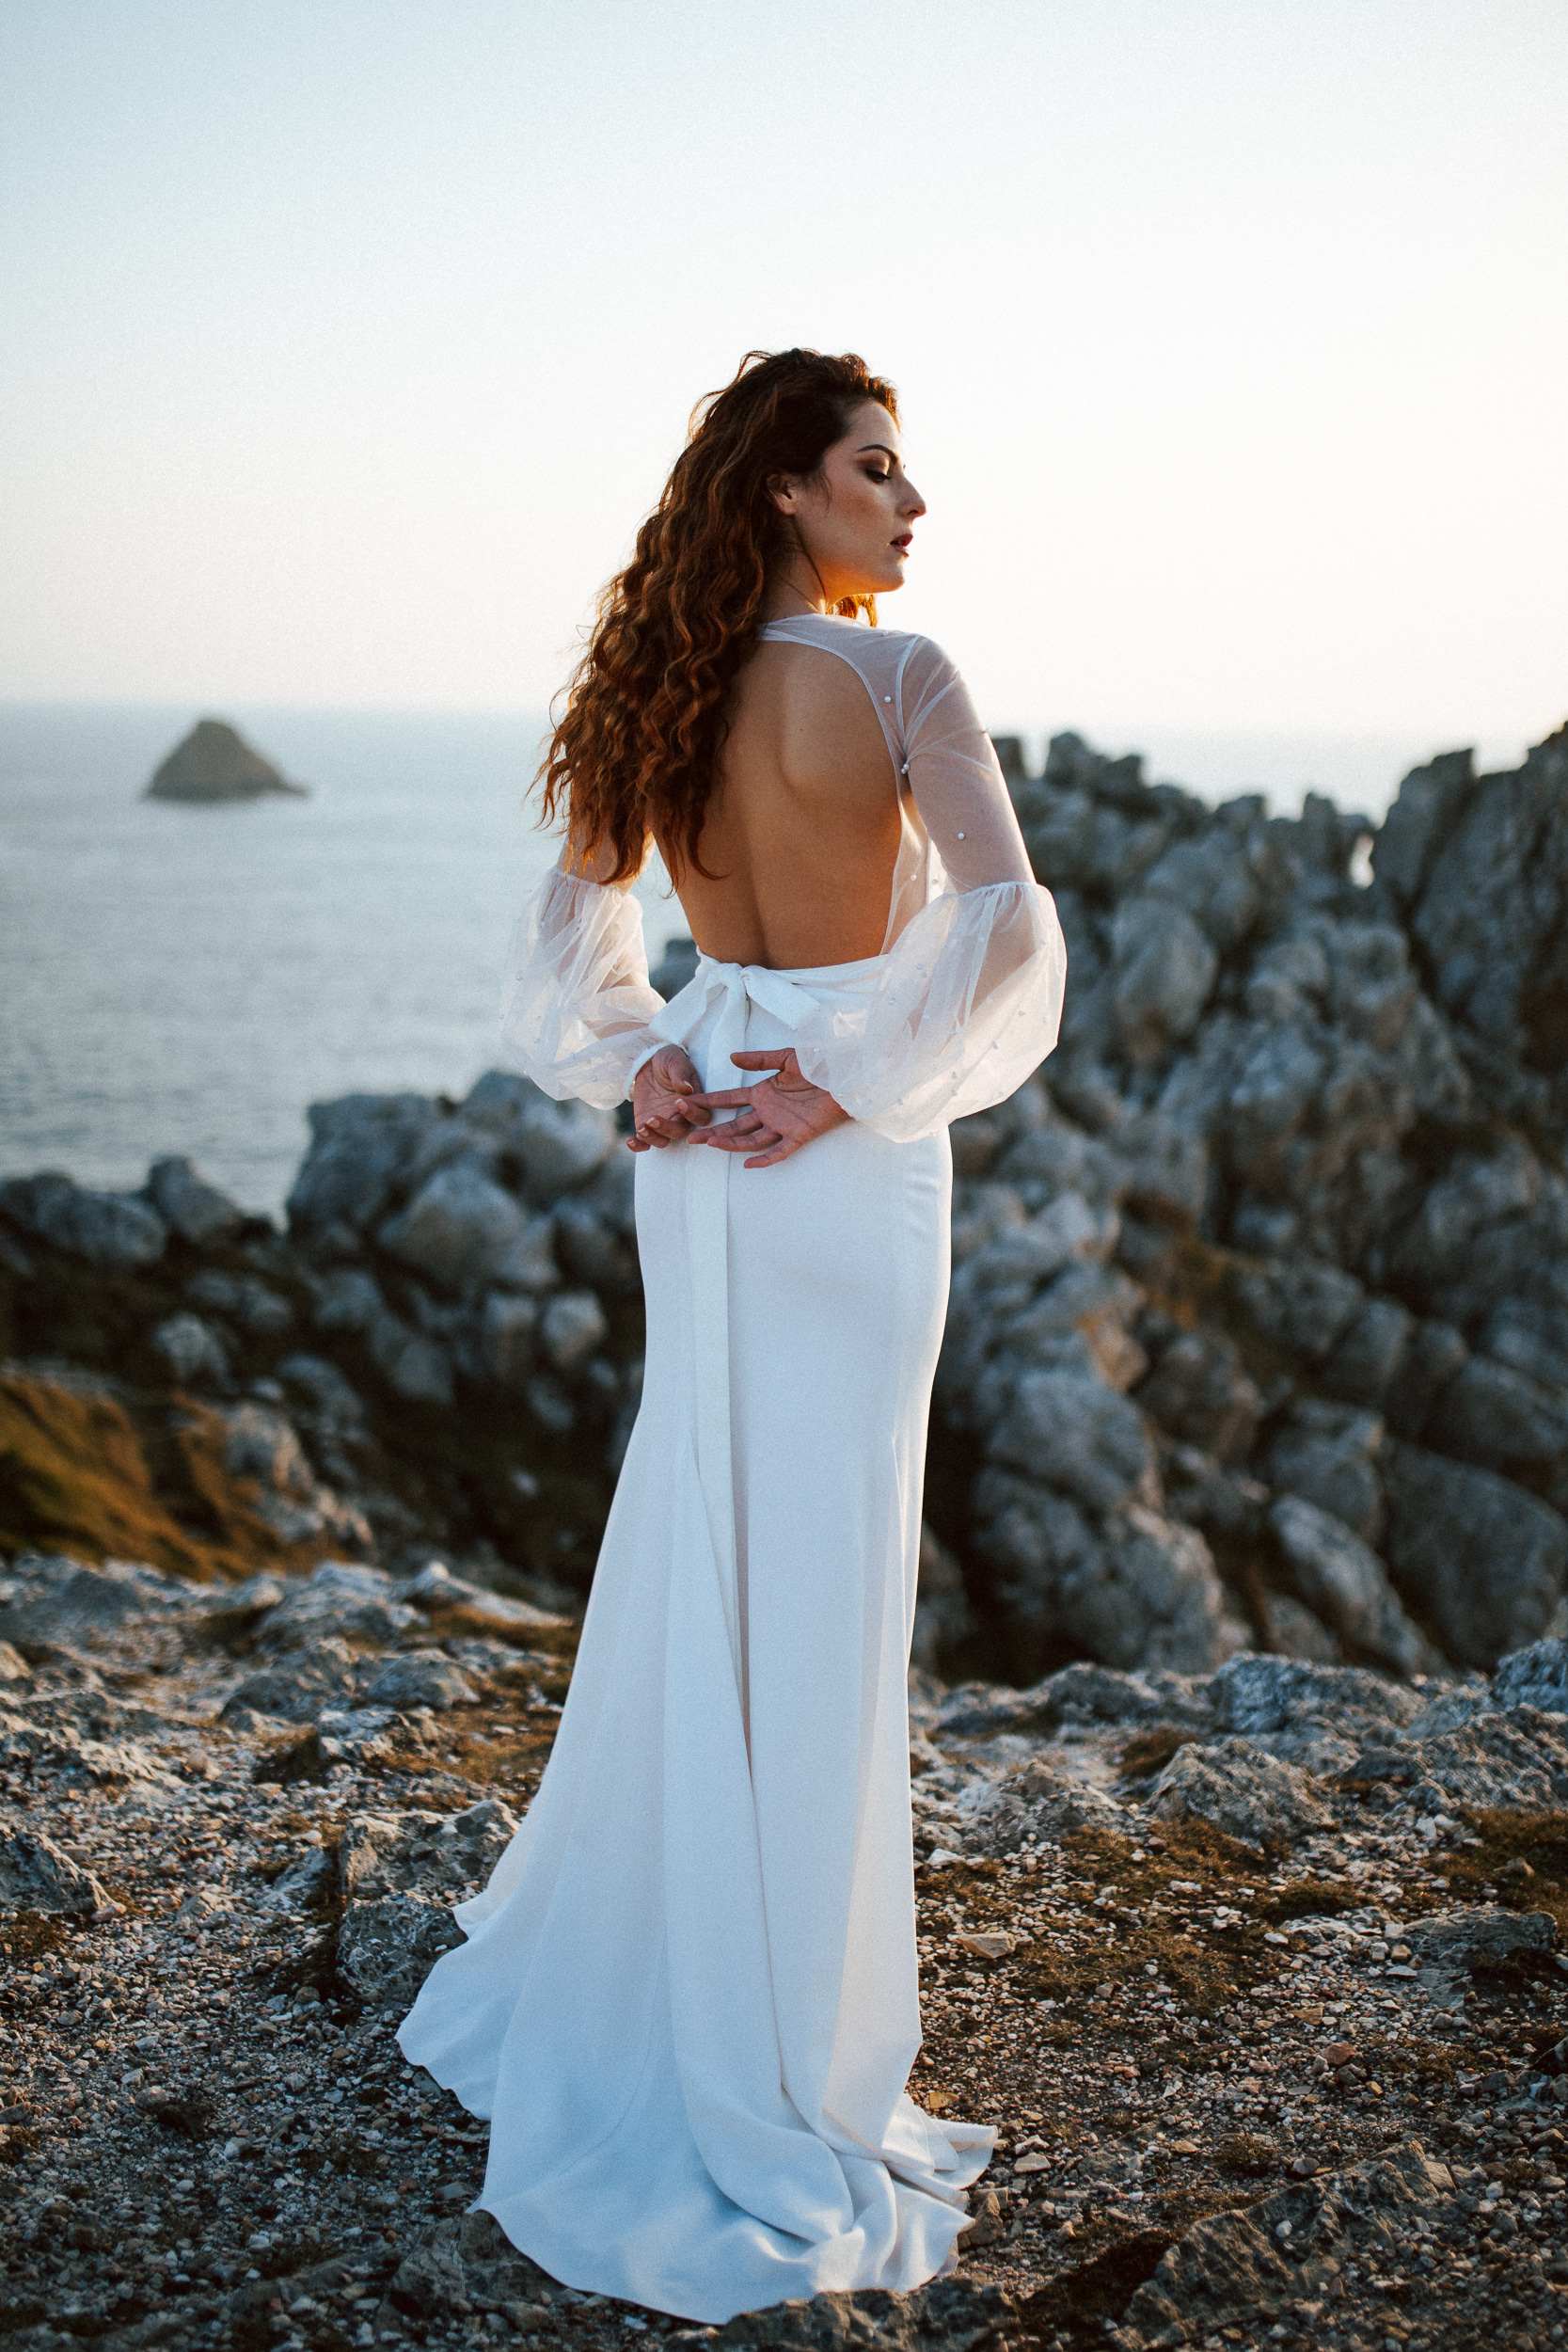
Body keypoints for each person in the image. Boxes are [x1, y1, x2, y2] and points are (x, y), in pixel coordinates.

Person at [397, 348, 1067, 2323]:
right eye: (876, 467)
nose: (910, 503)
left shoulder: (658, 692)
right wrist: (854, 1085)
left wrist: (650, 1077)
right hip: (836, 1152)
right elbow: (1009, 928)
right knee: (832, 1557)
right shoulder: (904, 677)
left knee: (703, 1533)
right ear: (789, 491)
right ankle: (788, 2042)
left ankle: (671, 1976)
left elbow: (570, 949)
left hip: (702, 1124)